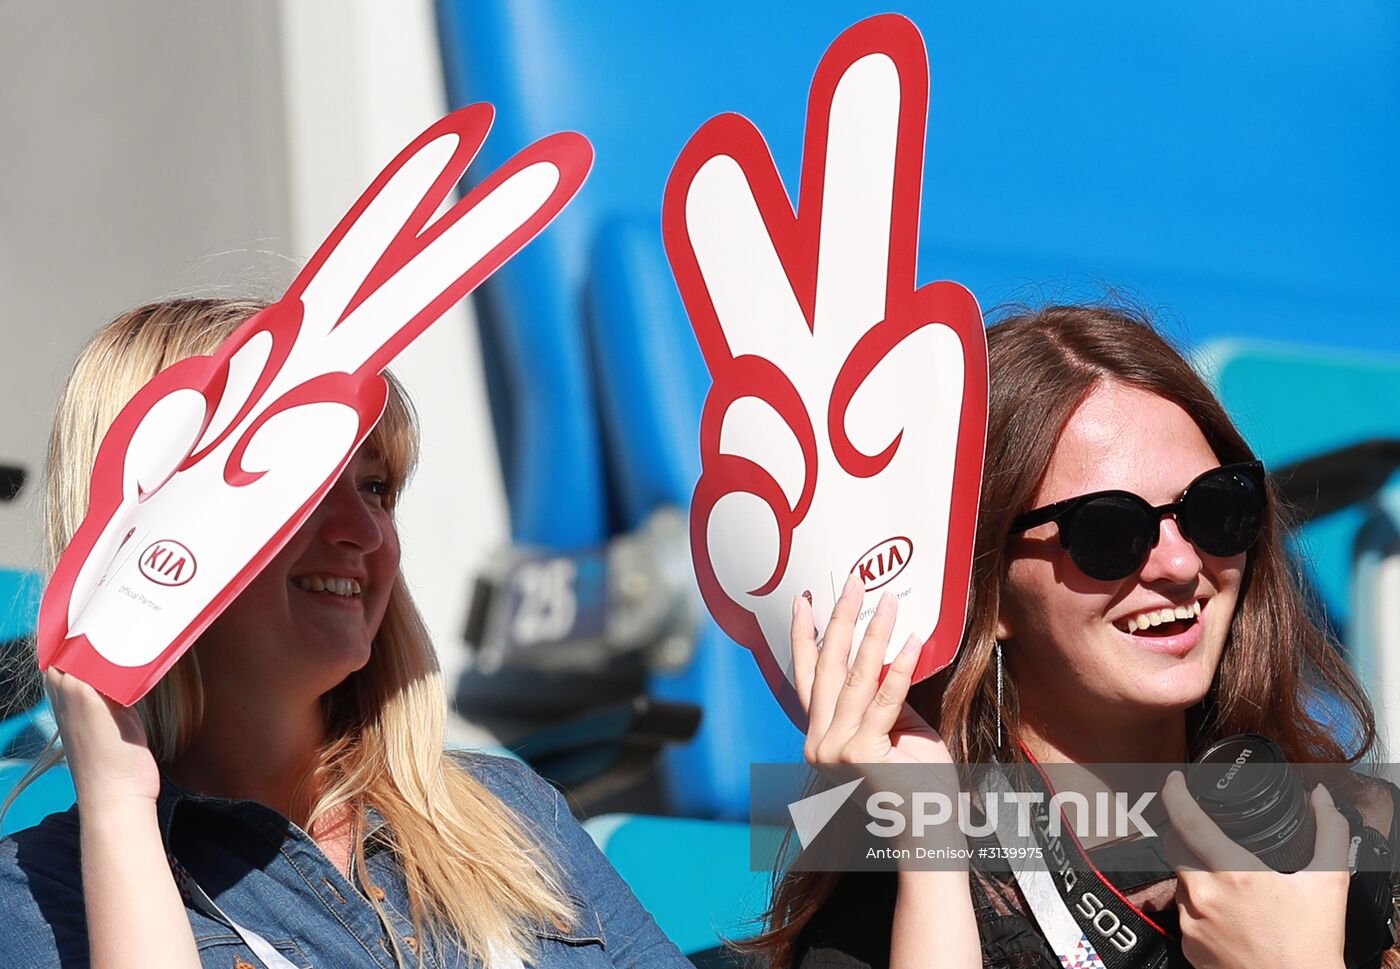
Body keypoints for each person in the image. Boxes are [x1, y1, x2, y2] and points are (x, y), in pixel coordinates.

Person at [0, 298, 692, 969]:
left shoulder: (513, 808)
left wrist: (807, 813)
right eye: (302, 484)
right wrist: (119, 806)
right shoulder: (38, 894)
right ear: (145, 533)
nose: (365, 532)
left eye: (376, 488)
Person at [752, 304, 1398, 969]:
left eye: (1213, 506)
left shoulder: (1368, 837)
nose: (1179, 563)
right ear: (984, 589)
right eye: (1108, 532)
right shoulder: (900, 902)